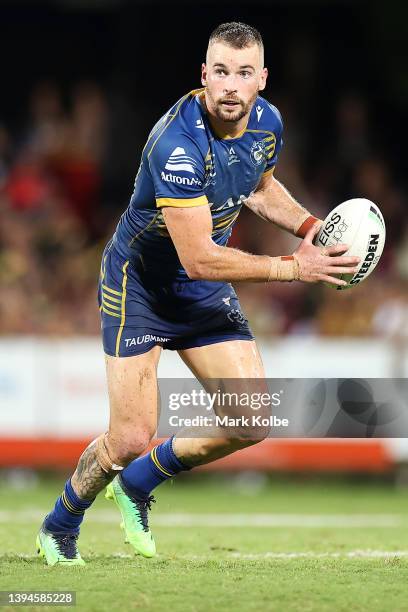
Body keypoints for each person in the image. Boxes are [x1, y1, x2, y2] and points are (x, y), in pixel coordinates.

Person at [37, 22, 359, 565]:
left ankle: (138, 484)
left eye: (244, 73)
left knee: (250, 420)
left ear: (261, 79)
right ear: (203, 75)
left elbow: (258, 186)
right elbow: (200, 257)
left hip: (199, 290)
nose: (231, 85)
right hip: (140, 283)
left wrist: (311, 229)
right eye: (221, 73)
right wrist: (295, 268)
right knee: (132, 434)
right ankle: (60, 522)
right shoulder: (177, 145)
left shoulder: (268, 124)